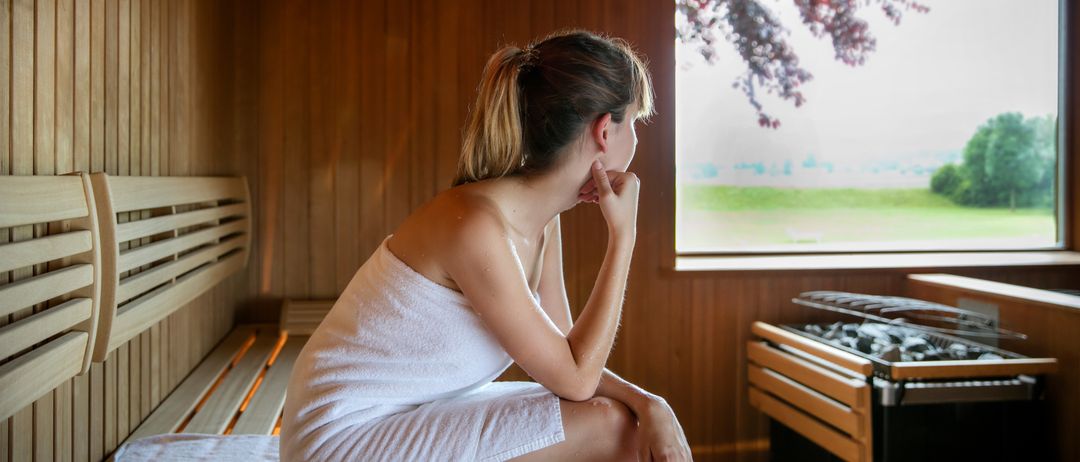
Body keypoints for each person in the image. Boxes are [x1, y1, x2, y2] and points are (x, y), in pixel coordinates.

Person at [280, 29, 691, 462]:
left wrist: (649, 402)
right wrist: (623, 237)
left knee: (617, 414)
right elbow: (576, 378)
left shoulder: (541, 225)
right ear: (605, 131)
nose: (638, 141)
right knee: (612, 427)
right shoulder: (476, 226)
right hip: (339, 438)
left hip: (395, 418)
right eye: (636, 123)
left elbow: (570, 358)